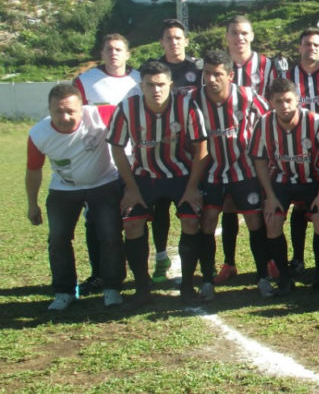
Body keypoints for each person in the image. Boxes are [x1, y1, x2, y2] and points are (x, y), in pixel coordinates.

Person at [106, 61, 208, 303]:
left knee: (191, 221)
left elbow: (201, 147)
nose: (156, 90)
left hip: (181, 174)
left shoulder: (186, 105)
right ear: (141, 85)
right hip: (144, 176)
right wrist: (131, 188)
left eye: (161, 84)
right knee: (132, 225)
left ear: (170, 84)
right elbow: (116, 147)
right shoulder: (127, 107)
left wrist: (192, 187)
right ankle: (142, 288)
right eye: (150, 85)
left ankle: (187, 286)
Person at [26, 84, 126, 310]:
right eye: (58, 111)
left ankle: (112, 288)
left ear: (83, 108)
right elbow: (33, 170)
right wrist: (32, 204)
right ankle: (64, 292)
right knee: (58, 239)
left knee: (111, 236)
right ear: (49, 110)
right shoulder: (38, 134)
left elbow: (131, 111)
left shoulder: (101, 115)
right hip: (63, 189)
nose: (65, 117)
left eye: (71, 111)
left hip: (104, 184)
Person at [191, 50, 274, 298]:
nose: (211, 79)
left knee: (254, 221)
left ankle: (263, 276)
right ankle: (207, 280)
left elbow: (269, 120)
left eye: (217, 74)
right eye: (207, 73)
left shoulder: (247, 96)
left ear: (229, 75)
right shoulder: (193, 99)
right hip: (212, 172)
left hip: (244, 170)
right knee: (208, 221)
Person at [71, 34, 142, 296]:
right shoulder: (85, 81)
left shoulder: (139, 80)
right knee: (96, 220)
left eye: (119, 49)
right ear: (101, 53)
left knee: (135, 218)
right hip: (100, 162)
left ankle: (138, 275)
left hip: (134, 160)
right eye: (109, 49)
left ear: (128, 54)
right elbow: (74, 120)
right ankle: (99, 274)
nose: (114, 53)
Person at [250, 78, 319, 292]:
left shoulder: (315, 122)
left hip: (312, 179)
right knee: (272, 221)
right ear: (270, 102)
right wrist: (269, 196)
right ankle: (285, 279)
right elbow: (259, 160)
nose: (284, 106)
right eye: (278, 101)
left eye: (288, 100)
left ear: (297, 99)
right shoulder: (264, 123)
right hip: (281, 180)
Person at [213, 15, 279, 285]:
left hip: (258, 151)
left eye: (244, 33)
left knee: (259, 208)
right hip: (225, 151)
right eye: (234, 33)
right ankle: (229, 263)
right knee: (228, 208)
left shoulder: (267, 66)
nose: (239, 38)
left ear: (252, 36)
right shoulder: (219, 67)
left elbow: (274, 103)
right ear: (226, 36)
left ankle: (269, 261)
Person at [280, 28, 319, 274]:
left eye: (316, 44)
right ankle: (297, 258)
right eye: (307, 44)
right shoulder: (288, 76)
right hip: (295, 149)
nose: (311, 48)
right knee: (299, 205)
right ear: (299, 47)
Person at [152, 19, 204, 274]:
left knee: (195, 207)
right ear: (161, 42)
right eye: (168, 38)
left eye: (178, 38)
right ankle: (161, 256)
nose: (173, 42)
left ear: (186, 41)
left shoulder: (198, 68)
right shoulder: (153, 69)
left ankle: (198, 260)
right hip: (162, 149)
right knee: (160, 207)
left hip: (194, 148)